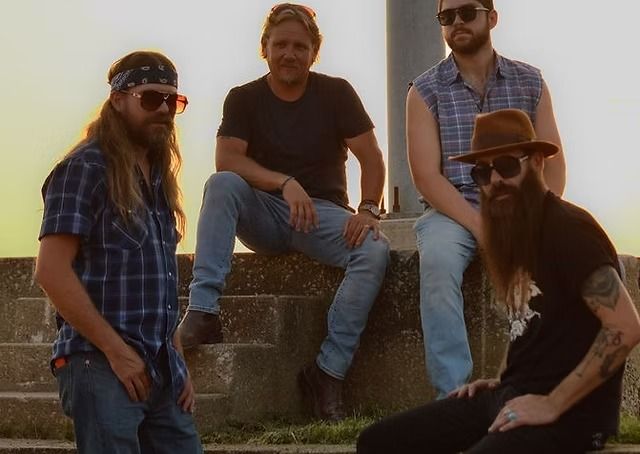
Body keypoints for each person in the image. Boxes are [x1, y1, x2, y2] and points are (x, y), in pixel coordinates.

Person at [357, 108, 640, 453]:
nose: (494, 182)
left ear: (536, 162)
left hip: (569, 414)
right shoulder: (514, 231)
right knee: (377, 443)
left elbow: (624, 326)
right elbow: (527, 322)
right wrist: (502, 378)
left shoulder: (570, 228)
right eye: (482, 173)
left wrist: (551, 403)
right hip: (511, 396)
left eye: (507, 166)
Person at [177, 3, 389, 421]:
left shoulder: (336, 92)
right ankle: (202, 310)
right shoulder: (244, 98)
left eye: (299, 46)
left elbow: (372, 158)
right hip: (265, 214)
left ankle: (328, 371)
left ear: (314, 52)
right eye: (281, 45)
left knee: (374, 252)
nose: (289, 54)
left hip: (324, 216)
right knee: (221, 184)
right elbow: (228, 160)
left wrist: (367, 210)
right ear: (265, 49)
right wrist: (285, 182)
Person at [34, 51, 202, 453]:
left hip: (161, 368)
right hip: (101, 364)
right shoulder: (85, 167)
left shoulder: (159, 174)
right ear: (119, 99)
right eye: (150, 98)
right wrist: (117, 352)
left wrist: (177, 362)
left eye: (172, 101)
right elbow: (51, 271)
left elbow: (157, 279)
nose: (163, 109)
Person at [407, 0, 567, 398]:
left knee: (567, 258)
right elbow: (427, 177)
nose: (456, 22)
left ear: (491, 18)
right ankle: (453, 397)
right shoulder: (424, 90)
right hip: (454, 209)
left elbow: (553, 161)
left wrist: (540, 215)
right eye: (446, 17)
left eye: (466, 12)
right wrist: (483, 227)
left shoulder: (530, 81)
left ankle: (548, 390)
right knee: (439, 263)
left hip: (522, 205)